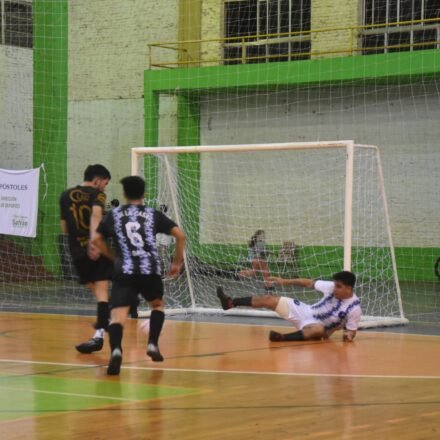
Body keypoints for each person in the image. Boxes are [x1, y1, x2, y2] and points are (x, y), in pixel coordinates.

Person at [92, 176, 185, 375]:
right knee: (158, 305)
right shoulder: (153, 214)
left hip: (124, 269)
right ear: (144, 194)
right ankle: (152, 344)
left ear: (125, 194)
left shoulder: (114, 215)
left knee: (118, 315)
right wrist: (176, 262)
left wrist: (112, 256)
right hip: (148, 269)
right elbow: (180, 235)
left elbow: (96, 239)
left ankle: (116, 350)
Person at [217, 270, 361, 342]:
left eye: (338, 286)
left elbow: (351, 332)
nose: (334, 288)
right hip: (305, 311)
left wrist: (348, 335)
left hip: (319, 328)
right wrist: (283, 281)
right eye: (335, 285)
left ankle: (282, 338)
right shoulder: (331, 287)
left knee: (318, 328)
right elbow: (308, 283)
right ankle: (230, 303)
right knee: (269, 299)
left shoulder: (354, 308)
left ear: (348, 288)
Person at [59, 164, 113, 353]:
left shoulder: (65, 195)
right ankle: (103, 329)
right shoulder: (97, 195)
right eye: (104, 184)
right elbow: (96, 216)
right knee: (103, 291)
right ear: (97, 180)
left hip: (76, 251)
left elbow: (64, 228)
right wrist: (93, 241)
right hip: (95, 246)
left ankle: (103, 322)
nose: (104, 188)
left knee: (98, 290)